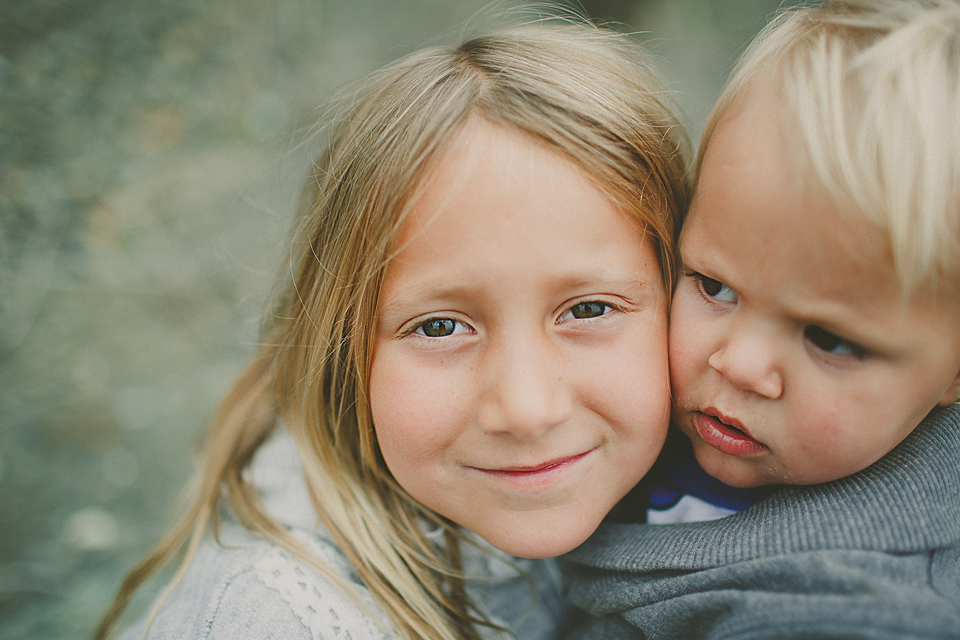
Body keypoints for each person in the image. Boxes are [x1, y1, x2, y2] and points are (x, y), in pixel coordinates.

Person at [95, 13, 690, 640]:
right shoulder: (278, 620)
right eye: (438, 327)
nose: (525, 409)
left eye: (589, 310)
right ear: (343, 342)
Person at [564, 1, 960, 638]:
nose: (739, 365)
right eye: (714, 286)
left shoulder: (866, 607)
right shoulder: (634, 401)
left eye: (828, 339)